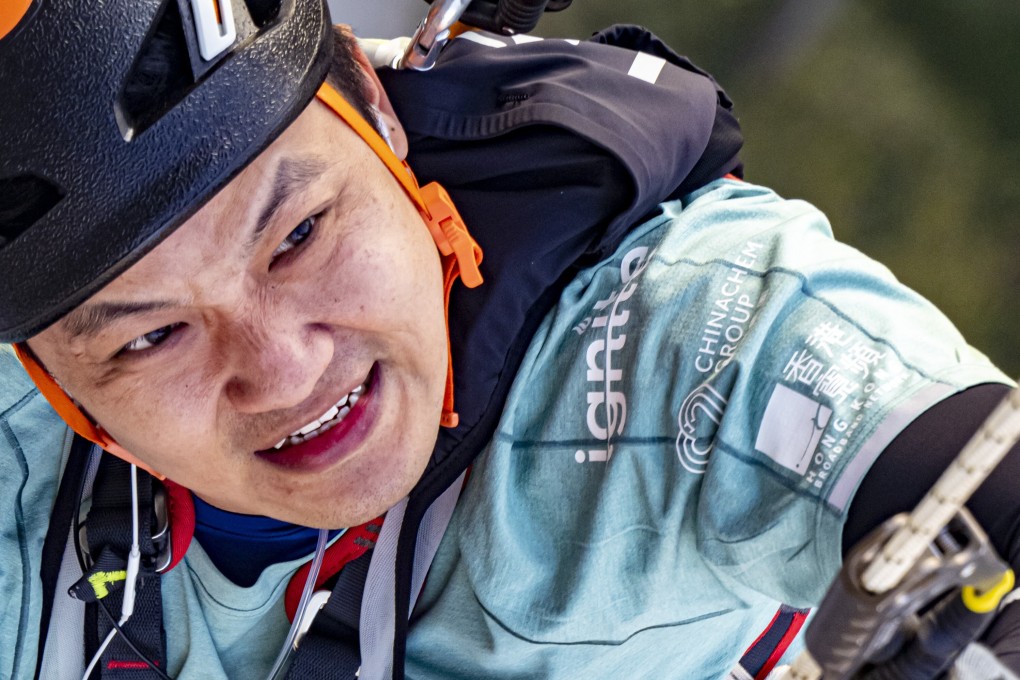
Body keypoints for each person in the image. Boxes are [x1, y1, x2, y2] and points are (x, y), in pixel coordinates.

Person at [1, 2, 1018, 679]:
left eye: (300, 235)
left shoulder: (677, 339)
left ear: (375, 108)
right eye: (153, 337)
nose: (283, 367)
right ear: (48, 379)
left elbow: (957, 469)